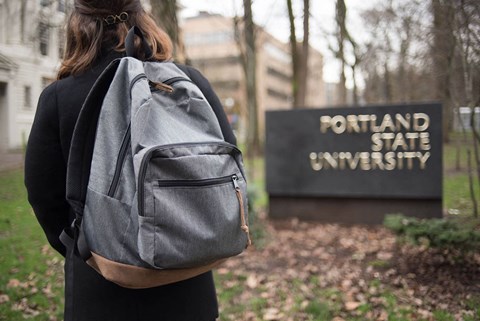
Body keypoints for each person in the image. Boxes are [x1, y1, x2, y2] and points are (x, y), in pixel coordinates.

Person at [25, 1, 236, 320]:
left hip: (101, 287)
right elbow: (228, 161)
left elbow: (43, 194)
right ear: (145, 19)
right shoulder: (189, 83)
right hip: (189, 282)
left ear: (78, 27)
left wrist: (87, 248)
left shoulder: (59, 96)